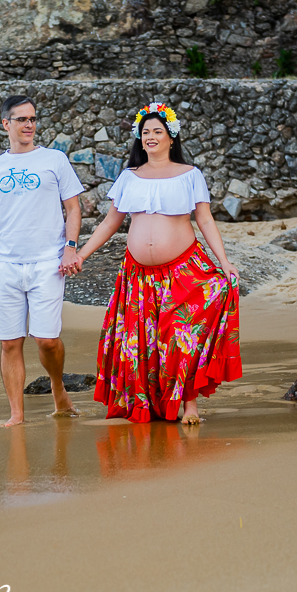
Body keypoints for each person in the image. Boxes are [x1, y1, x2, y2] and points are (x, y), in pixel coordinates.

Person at [63, 102, 242, 425]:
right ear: (139, 138)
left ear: (171, 137)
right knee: (142, 343)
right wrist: (81, 254)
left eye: (158, 131)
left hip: (182, 269)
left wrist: (224, 262)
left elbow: (205, 219)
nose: (151, 137)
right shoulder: (129, 177)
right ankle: (147, 402)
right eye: (146, 132)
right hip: (138, 276)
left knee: (180, 336)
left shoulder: (190, 175)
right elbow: (110, 222)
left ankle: (189, 404)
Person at [0, 95, 85, 427]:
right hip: (5, 266)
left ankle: (57, 386)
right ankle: (16, 414)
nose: (29, 125)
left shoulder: (54, 159)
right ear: (5, 124)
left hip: (47, 263)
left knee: (47, 340)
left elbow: (73, 208)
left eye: (33, 119)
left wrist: (70, 248)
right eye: (22, 119)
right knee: (10, 343)